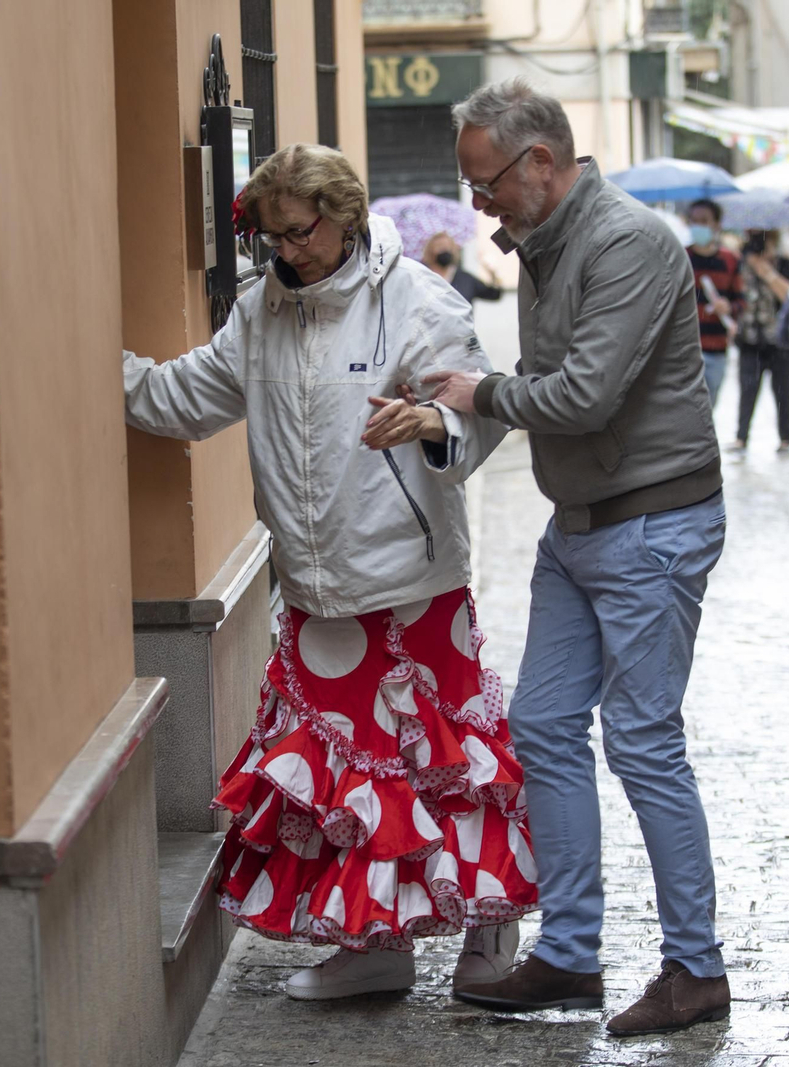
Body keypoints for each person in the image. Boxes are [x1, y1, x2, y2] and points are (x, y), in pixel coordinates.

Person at [122, 143, 536, 1001]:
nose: (285, 250)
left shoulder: (417, 298)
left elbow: (478, 416)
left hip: (412, 581)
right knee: (345, 776)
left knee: (441, 758)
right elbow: (188, 397)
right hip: (316, 588)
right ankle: (374, 944)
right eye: (269, 236)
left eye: (298, 232)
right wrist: (99, 372)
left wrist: (428, 419)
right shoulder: (260, 311)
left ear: (342, 216)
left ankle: (491, 926)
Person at [426, 77, 731, 1036]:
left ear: (543, 163)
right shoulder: (546, 246)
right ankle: (569, 955)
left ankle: (697, 970)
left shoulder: (628, 242)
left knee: (644, 740)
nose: (481, 206)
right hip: (581, 526)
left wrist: (481, 394)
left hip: (650, 524)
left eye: (488, 186)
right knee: (547, 725)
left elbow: (586, 394)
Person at [731, 228, 789, 452]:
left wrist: (767, 272)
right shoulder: (739, 264)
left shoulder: (784, 265)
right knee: (747, 389)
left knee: (782, 390)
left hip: (781, 341)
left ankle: (785, 438)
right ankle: (741, 437)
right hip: (749, 339)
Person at [685, 199, 744, 409]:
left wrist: (729, 307)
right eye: (694, 220)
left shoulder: (730, 260)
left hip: (717, 349)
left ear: (717, 225)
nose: (698, 225)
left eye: (704, 221)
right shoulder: (680, 257)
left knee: (708, 413)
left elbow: (741, 302)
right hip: (685, 349)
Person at [422, 232, 505, 304]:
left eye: (448, 246)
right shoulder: (422, 278)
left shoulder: (466, 279)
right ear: (430, 251)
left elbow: (494, 294)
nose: (445, 249)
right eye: (440, 246)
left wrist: (493, 272)